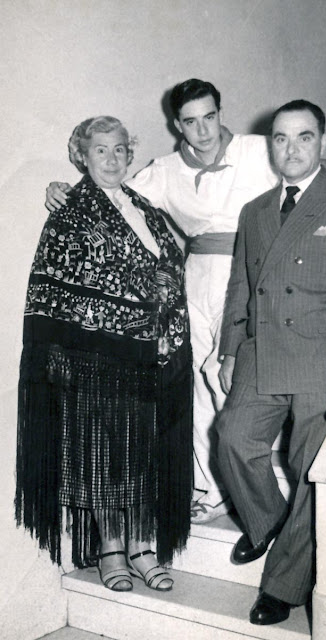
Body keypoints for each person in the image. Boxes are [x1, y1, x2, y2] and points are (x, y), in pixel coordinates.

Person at [45, 79, 326, 524]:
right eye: (190, 122)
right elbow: (115, 190)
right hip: (196, 276)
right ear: (177, 125)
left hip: (252, 274)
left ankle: (250, 483)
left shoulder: (257, 148)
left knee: (229, 379)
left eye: (209, 117)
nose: (202, 131)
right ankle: (212, 486)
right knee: (200, 384)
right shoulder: (164, 170)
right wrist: (65, 188)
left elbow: (305, 159)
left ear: (221, 114)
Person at [217, 100, 326, 625]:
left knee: (310, 470)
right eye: (281, 138)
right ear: (271, 144)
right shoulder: (255, 211)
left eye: (304, 137)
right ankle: (269, 520)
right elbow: (241, 285)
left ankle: (283, 585)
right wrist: (229, 350)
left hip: (323, 357)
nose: (291, 149)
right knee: (232, 438)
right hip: (262, 352)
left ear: (323, 142)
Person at [15, 116, 193, 593]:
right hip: (98, 359)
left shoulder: (144, 206)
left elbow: (165, 273)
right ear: (82, 156)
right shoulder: (70, 210)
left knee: (144, 451)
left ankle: (142, 548)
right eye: (100, 150)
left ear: (129, 155)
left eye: (119, 150)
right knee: (103, 454)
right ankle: (111, 551)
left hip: (153, 356)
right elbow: (55, 286)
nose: (111, 159)